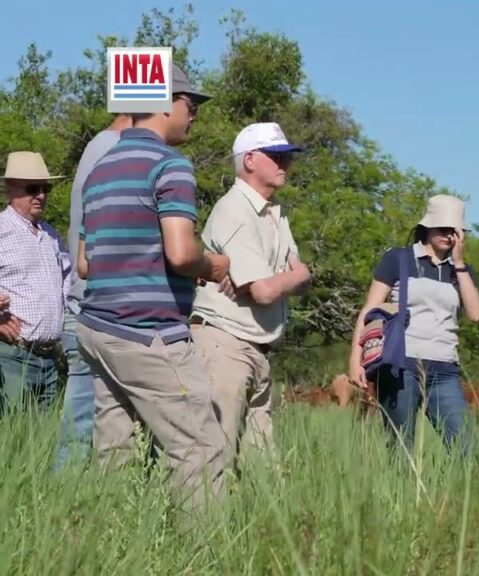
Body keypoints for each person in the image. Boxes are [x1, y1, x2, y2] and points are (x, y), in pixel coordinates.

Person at [76, 64, 229, 511]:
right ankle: (207, 554)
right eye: (190, 104)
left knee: (114, 454)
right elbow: (181, 254)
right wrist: (212, 266)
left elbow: (85, 264)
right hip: (148, 332)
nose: (194, 114)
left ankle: (110, 548)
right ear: (164, 102)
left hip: (98, 327)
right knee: (200, 449)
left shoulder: (100, 169)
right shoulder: (170, 165)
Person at [191, 122, 310, 474]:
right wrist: (298, 276)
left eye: (287, 156)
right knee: (217, 457)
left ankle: (259, 530)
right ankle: (203, 529)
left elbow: (281, 282)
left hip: (256, 346)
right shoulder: (235, 210)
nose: (285, 164)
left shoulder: (275, 212)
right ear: (250, 160)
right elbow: (266, 290)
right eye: (276, 156)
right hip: (226, 344)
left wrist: (291, 278)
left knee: (264, 468)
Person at [349, 195, 479, 453]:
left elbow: (476, 314)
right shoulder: (398, 258)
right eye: (443, 228)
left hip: (444, 367)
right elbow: (370, 308)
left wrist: (459, 264)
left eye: (455, 231)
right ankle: (402, 493)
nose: (448, 235)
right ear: (427, 226)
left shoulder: (461, 270)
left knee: (466, 449)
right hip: (401, 364)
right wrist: (356, 359)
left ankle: (457, 494)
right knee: (401, 448)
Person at [54, 112, 132, 468]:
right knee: (82, 430)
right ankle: (63, 514)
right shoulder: (111, 149)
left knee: (90, 428)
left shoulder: (100, 148)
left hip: (91, 307)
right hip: (97, 309)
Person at [0, 151, 72, 415]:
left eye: (45, 188)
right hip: (13, 357)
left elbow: (68, 283)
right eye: (32, 188)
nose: (40, 195)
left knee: (42, 442)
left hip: (51, 359)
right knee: (12, 439)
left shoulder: (51, 235)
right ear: (10, 189)